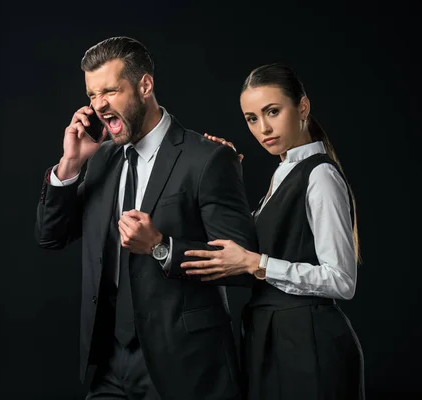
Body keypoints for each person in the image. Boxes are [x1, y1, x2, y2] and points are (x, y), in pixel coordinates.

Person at [35, 36, 258, 400]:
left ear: (145, 85)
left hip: (184, 366)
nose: (98, 104)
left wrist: (161, 248)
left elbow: (243, 265)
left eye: (109, 90)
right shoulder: (100, 159)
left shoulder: (207, 158)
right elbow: (50, 235)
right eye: (92, 95)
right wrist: (70, 164)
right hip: (108, 364)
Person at [181, 63, 365, 399]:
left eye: (272, 111)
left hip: (309, 343)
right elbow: (250, 241)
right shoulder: (283, 173)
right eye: (252, 118)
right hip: (270, 339)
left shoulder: (320, 175)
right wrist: (224, 177)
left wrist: (257, 263)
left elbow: (342, 280)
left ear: (303, 108)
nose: (263, 128)